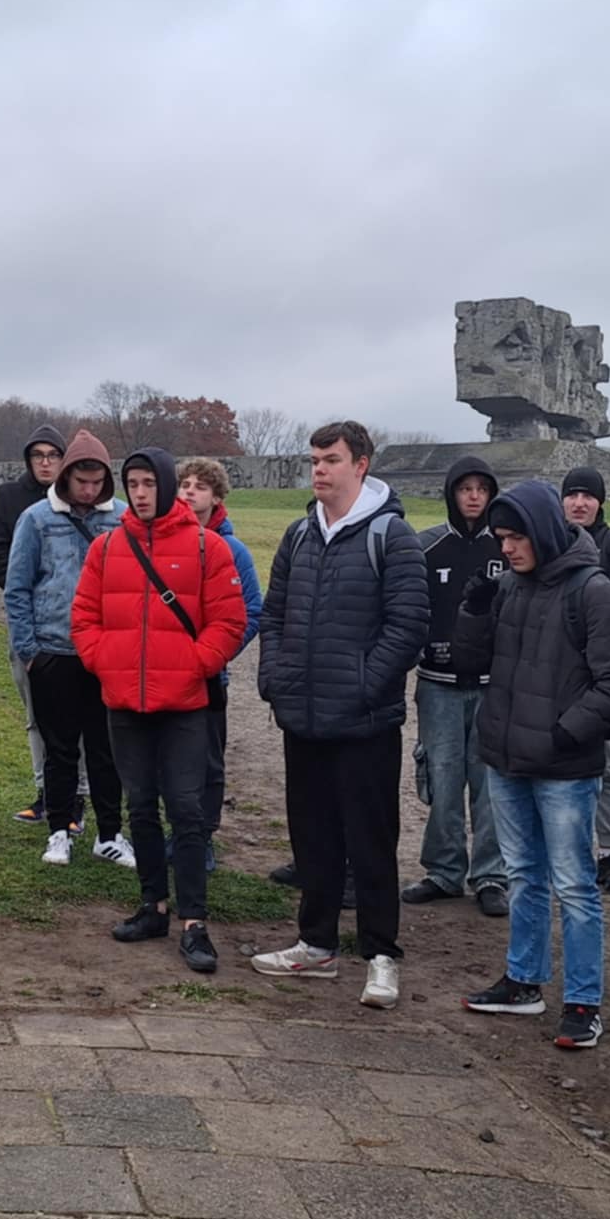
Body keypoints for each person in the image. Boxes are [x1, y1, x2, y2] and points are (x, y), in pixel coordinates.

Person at [456, 479, 610, 1049]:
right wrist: (473, 610)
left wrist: (565, 734)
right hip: (507, 760)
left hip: (563, 767)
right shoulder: (509, 587)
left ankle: (583, 1001)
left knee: (576, 885)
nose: (506, 549)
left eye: (515, 538)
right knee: (524, 876)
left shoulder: (595, 592)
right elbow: (473, 666)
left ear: (542, 531)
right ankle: (523, 981)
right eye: (501, 539)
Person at [251, 420, 429, 1009]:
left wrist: (362, 685)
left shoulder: (392, 537)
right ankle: (316, 944)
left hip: (363, 723)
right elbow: (273, 616)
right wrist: (274, 679)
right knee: (313, 838)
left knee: (371, 840)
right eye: (314, 460)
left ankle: (381, 955)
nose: (319, 469)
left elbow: (408, 627)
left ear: (362, 464)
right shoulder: (299, 536)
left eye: (330, 459)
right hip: (303, 718)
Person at [74, 449, 249, 973]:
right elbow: (84, 617)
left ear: (168, 486)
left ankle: (194, 921)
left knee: (187, 811)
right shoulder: (107, 547)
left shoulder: (207, 547)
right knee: (141, 807)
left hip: (183, 705)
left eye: (150, 482)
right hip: (125, 702)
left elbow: (229, 621)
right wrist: (107, 663)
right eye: (133, 482)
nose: (142, 492)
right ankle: (153, 905)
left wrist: (193, 664)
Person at [3, 430, 130, 869]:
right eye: (82, 481)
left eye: (97, 483)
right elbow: (17, 588)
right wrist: (29, 651)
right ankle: (59, 830)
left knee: (106, 748)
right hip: (54, 651)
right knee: (59, 748)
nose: (89, 491)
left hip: (107, 653)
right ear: (66, 477)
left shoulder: (122, 519)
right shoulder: (37, 519)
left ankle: (110, 834)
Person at [403, 457, 509, 915]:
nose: (473, 497)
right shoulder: (425, 547)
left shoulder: (506, 549)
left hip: (491, 685)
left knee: (489, 785)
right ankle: (444, 871)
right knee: (443, 779)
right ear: (451, 493)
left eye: (481, 489)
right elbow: (407, 609)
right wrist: (423, 647)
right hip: (438, 685)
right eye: (464, 488)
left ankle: (491, 875)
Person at [174, 458, 264, 872]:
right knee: (168, 758)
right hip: (165, 673)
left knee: (207, 760)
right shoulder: (163, 542)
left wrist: (215, 654)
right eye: (185, 484)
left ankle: (203, 835)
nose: (190, 492)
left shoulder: (233, 549)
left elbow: (251, 611)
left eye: (201, 487)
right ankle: (176, 831)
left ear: (217, 496)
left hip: (209, 674)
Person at [0, 424, 69, 827]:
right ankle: (47, 793)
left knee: (80, 719)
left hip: (73, 627)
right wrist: (25, 591)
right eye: (39, 456)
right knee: (38, 714)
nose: (46, 462)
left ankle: (77, 797)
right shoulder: (8, 498)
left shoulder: (82, 499)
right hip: (27, 622)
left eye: (53, 455)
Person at [561, 466, 610, 897]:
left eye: (588, 495)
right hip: (561, 674)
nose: (580, 503)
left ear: (600, 502)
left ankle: (608, 854)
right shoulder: (551, 543)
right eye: (572, 495)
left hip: (601, 676)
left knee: (608, 770)